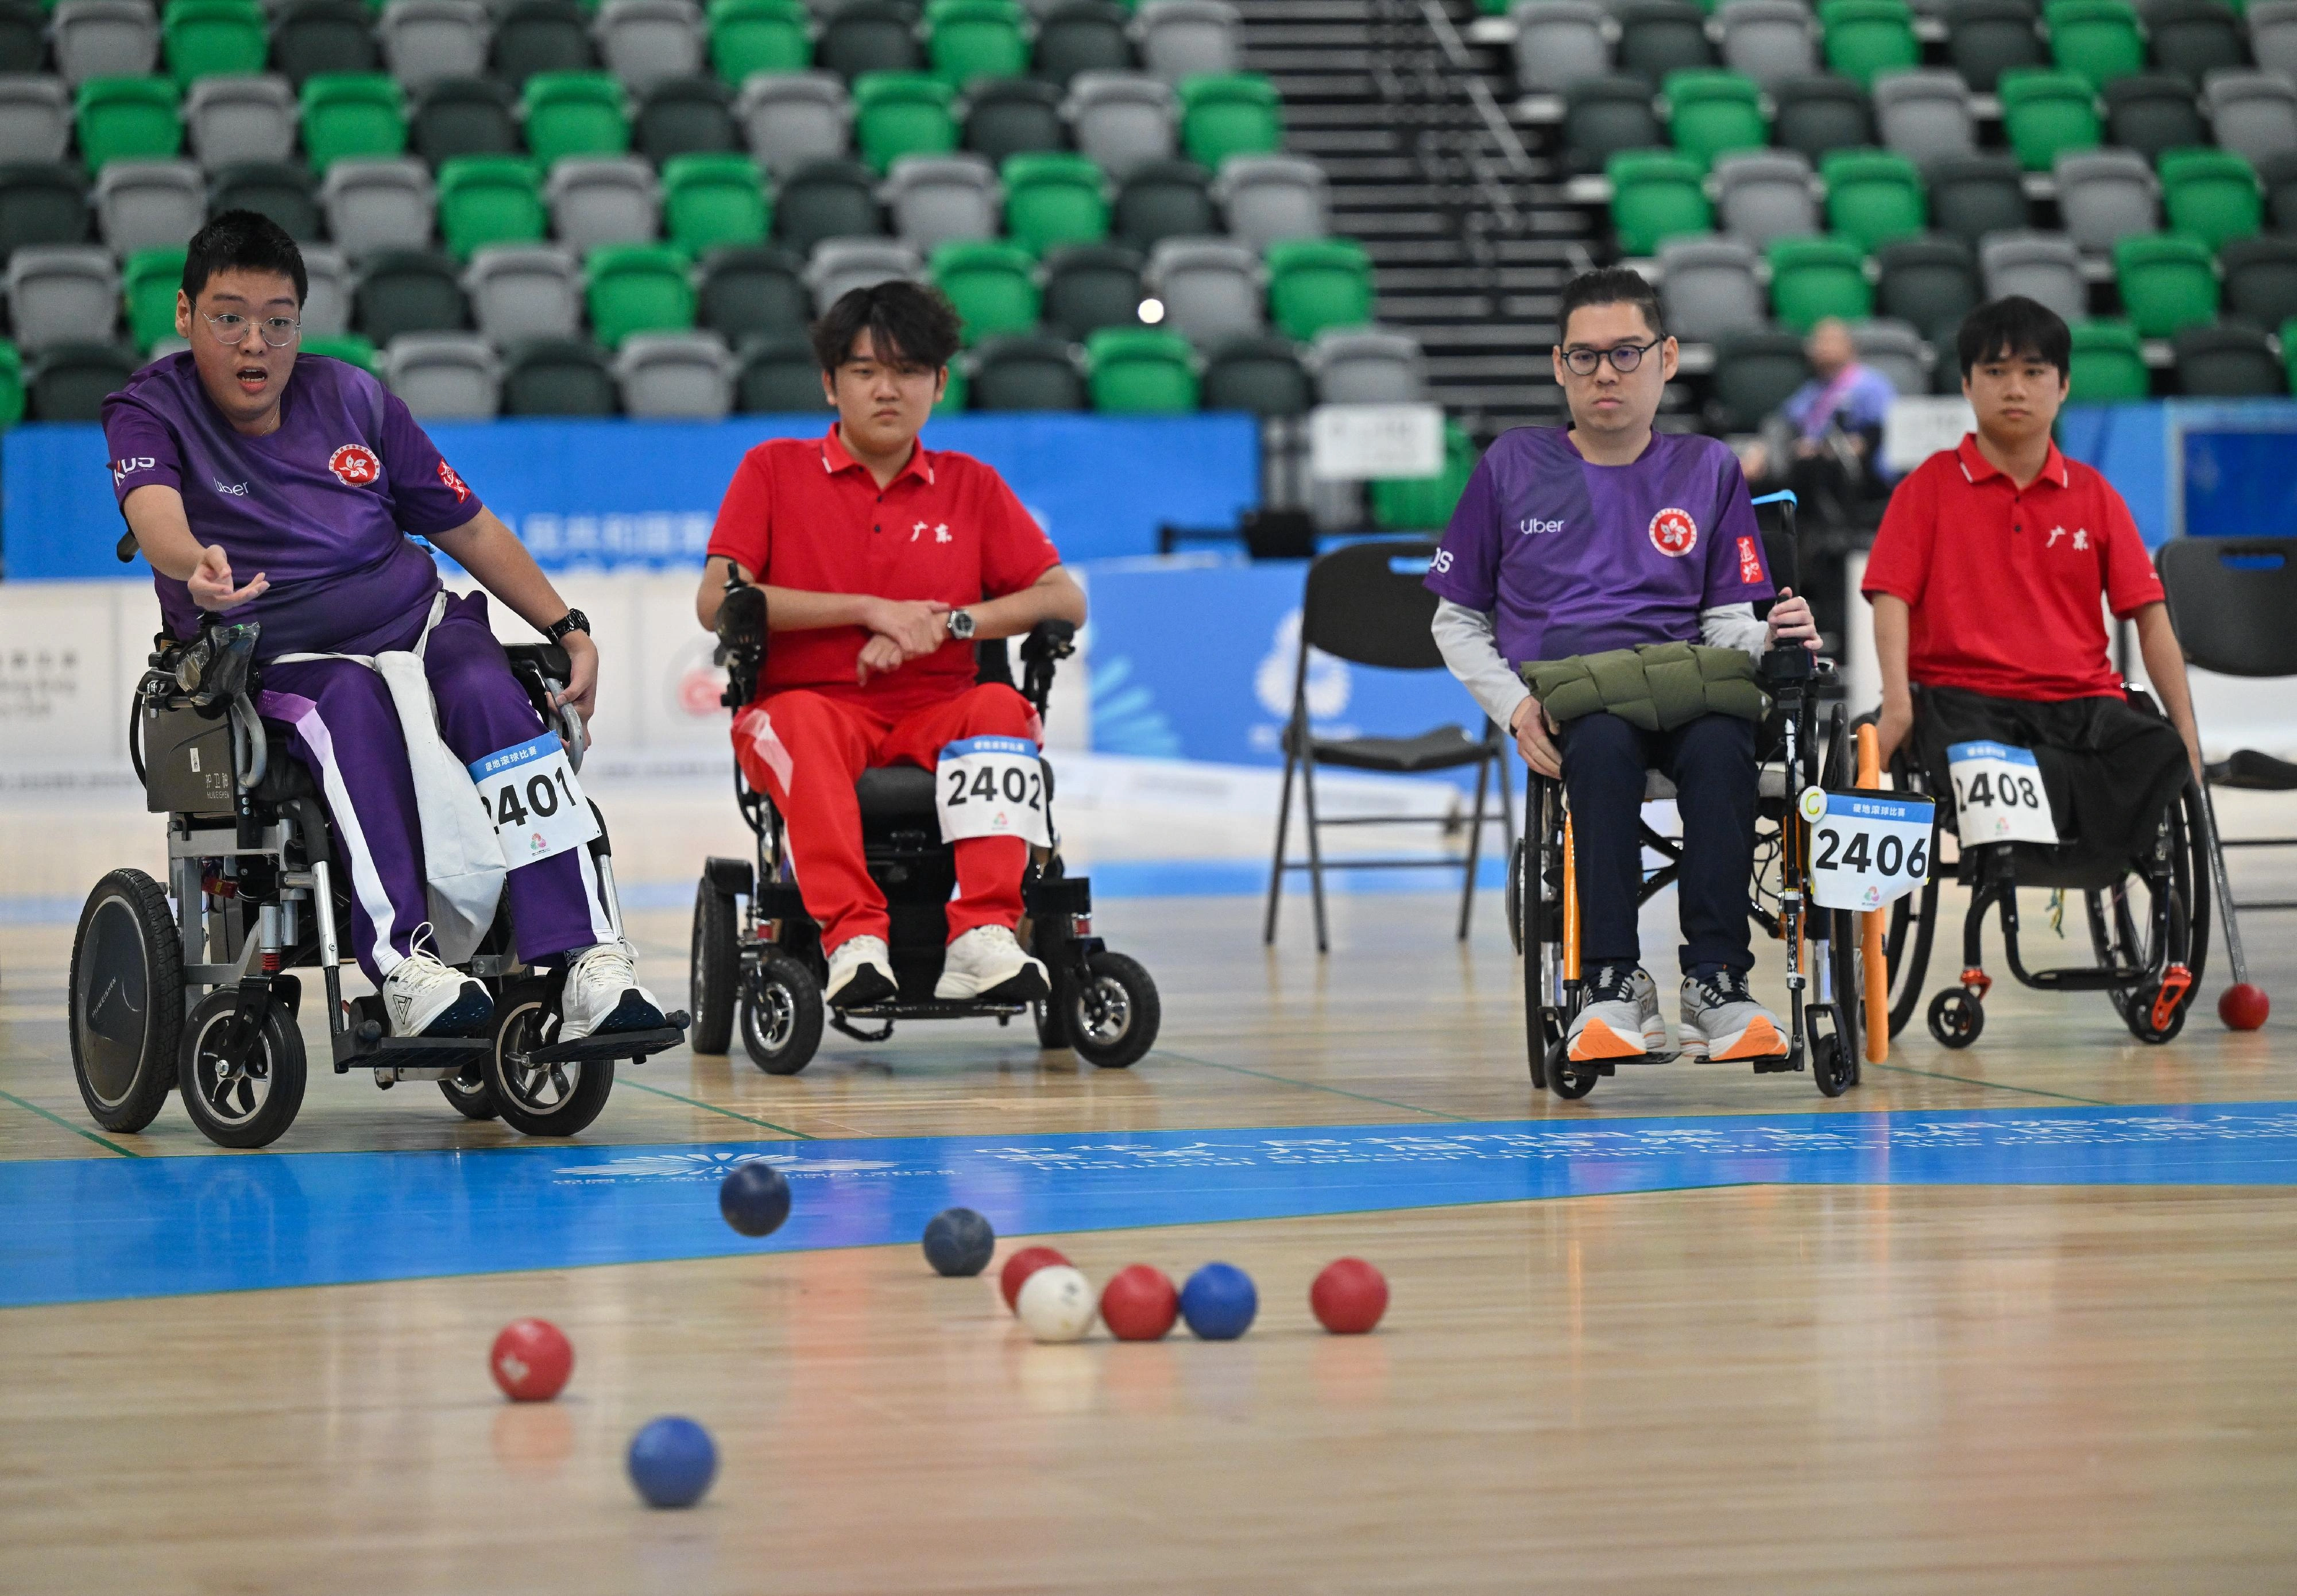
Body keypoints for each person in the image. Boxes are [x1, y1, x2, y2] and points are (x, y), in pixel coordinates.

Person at [102, 211, 664, 1042]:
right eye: (229, 317)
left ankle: (589, 959)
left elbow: (466, 525)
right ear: (185, 315)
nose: (255, 344)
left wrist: (567, 624)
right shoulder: (150, 408)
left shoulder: (355, 398)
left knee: (491, 688)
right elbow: (153, 515)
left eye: (278, 321)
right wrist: (195, 567)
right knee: (352, 704)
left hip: (420, 620)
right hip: (271, 651)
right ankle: (405, 964)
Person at [1425, 266, 1820, 1066]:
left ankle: (1717, 980)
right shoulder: (1510, 466)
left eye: (1626, 352)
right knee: (1599, 748)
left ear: (1667, 358)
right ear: (1558, 364)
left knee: (1721, 745)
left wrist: (1780, 635)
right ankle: (1608, 978)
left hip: (1686, 685)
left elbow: (1723, 625)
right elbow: (1457, 617)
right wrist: (1514, 707)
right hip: (1577, 698)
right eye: (1584, 356)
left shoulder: (1708, 469)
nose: (1605, 372)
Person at [693, 281, 1089, 1010]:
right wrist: (869, 611)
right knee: (802, 723)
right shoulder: (772, 470)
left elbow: (1065, 598)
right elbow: (719, 601)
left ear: (939, 384)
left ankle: (984, 936)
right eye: (866, 370)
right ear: (829, 383)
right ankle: (852, 940)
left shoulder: (971, 485)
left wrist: (948, 623)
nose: (887, 389)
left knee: (1001, 707)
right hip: (807, 709)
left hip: (937, 712)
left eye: (908, 371)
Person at [1865, 296, 2201, 858]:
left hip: (2081, 703)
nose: (2014, 388)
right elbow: (1890, 598)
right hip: (1964, 704)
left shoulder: (2095, 494)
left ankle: (2084, 848)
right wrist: (1898, 705)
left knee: (2158, 750)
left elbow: (2149, 616)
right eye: (1995, 372)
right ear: (1968, 386)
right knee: (1989, 762)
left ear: (2063, 385)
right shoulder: (1926, 487)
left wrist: (2187, 735)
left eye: (2033, 372)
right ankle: (2059, 828)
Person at [1735, 316, 1900, 526]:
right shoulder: (1814, 389)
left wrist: (1822, 449)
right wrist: (1760, 450)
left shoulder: (1871, 384)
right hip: (1808, 469)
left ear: (1851, 346)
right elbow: (1783, 422)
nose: (1822, 347)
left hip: (1857, 476)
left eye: (1830, 340)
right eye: (1817, 341)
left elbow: (1875, 436)